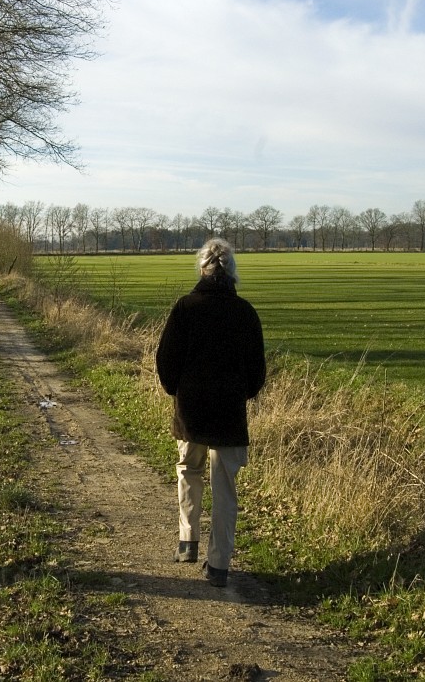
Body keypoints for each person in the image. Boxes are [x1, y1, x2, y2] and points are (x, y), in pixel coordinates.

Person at [155, 237, 266, 587]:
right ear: (232, 272)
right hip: (229, 413)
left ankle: (187, 543)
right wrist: (240, 394)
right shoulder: (245, 313)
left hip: (191, 410)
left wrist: (176, 391)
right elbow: (257, 372)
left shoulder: (185, 308)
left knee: (189, 471)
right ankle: (218, 565)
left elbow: (166, 360)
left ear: (202, 268)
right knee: (224, 487)